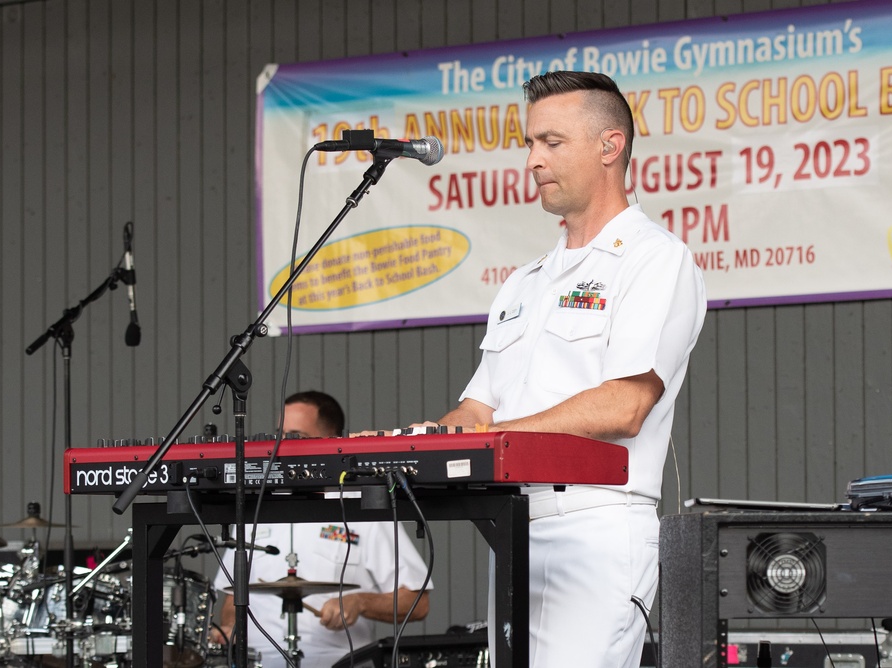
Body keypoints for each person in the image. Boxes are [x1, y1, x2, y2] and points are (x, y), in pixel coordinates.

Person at [428, 72, 707, 667]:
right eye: (529, 144)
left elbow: (625, 404)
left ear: (610, 147)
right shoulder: (523, 282)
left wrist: (496, 439)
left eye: (551, 142)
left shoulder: (656, 260)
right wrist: (430, 440)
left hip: (596, 527)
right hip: (510, 525)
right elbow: (479, 406)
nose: (532, 160)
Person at [211, 390, 432, 668]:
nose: (283, 444)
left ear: (332, 440)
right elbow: (233, 598)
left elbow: (418, 601)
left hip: (340, 663)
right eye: (279, 434)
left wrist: (360, 602)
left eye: (296, 436)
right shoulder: (256, 506)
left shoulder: (364, 508)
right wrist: (229, 628)